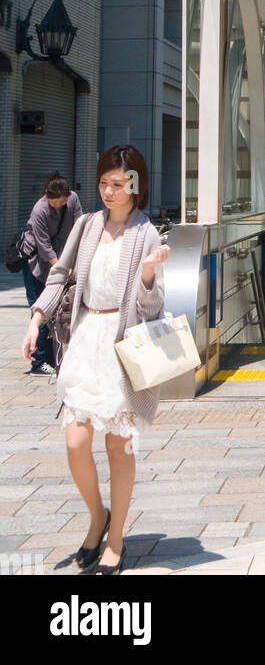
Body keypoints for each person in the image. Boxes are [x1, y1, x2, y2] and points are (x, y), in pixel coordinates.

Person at [20, 145, 171, 574]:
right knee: (75, 442)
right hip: (86, 340)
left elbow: (153, 305)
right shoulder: (86, 225)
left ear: (135, 185)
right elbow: (60, 275)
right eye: (104, 182)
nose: (109, 190)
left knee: (118, 448)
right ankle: (97, 516)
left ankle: (115, 539)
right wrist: (36, 319)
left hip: (121, 350)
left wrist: (147, 272)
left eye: (118, 184)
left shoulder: (146, 234)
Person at [21, 175, 82, 374]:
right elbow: (44, 245)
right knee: (40, 309)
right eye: (54, 202)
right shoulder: (40, 209)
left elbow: (78, 227)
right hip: (38, 265)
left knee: (57, 312)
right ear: (47, 196)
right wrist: (62, 268)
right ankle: (38, 362)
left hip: (61, 260)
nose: (58, 205)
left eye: (62, 201)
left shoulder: (72, 200)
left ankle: (52, 359)